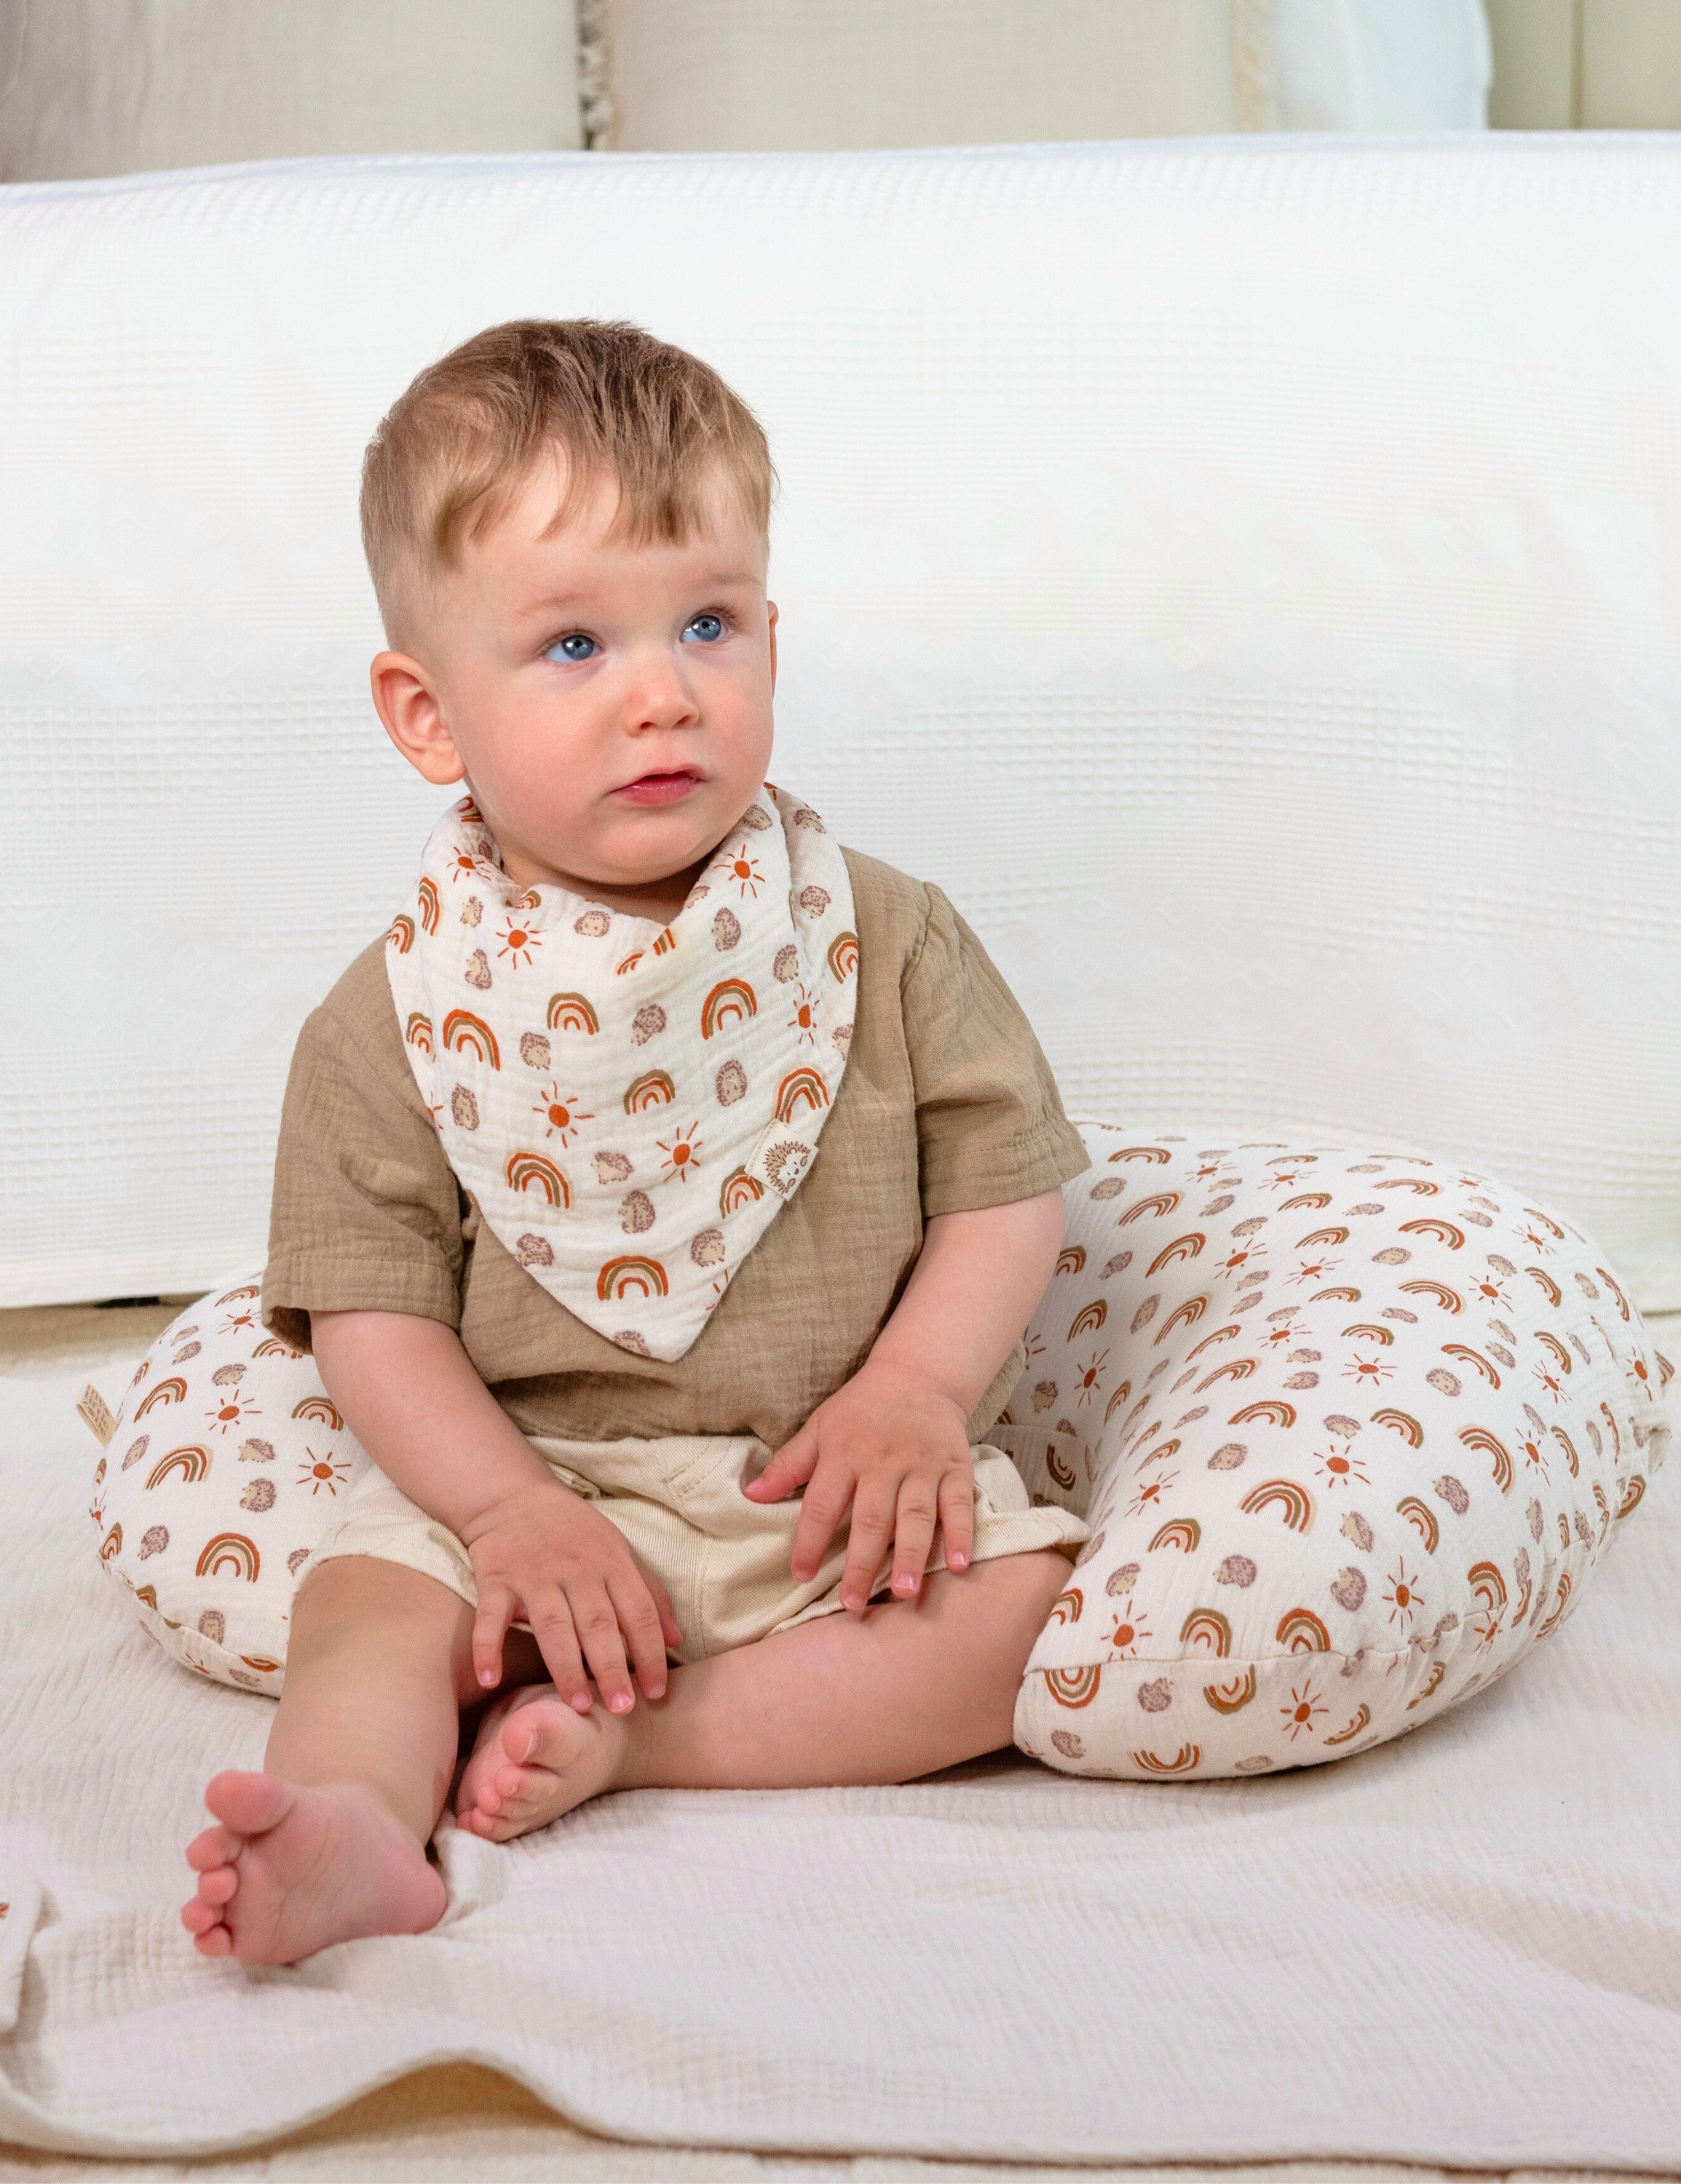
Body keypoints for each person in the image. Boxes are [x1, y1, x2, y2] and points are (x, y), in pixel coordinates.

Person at [181, 319, 1090, 1965]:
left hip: (812, 1490)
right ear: (427, 713)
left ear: (770, 638)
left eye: (709, 624)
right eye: (573, 646)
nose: (665, 692)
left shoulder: (881, 935)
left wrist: (914, 1392)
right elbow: (374, 1311)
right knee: (369, 1611)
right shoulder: (399, 1013)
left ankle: (651, 1737)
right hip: (533, 1491)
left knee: (1020, 1611)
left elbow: (1005, 1188)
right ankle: (356, 1825)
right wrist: (501, 1512)